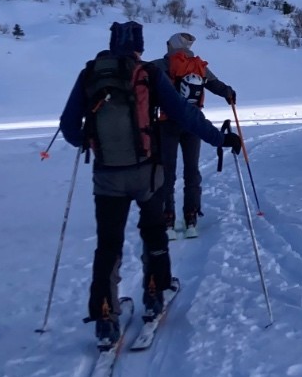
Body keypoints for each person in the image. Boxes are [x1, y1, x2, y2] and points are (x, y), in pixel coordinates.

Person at [59, 21, 242, 348]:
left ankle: (104, 316)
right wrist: (220, 138)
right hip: (147, 173)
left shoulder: (90, 73)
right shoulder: (149, 73)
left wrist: (90, 141)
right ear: (139, 46)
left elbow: (68, 127)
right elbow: (186, 115)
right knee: (154, 234)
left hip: (107, 176)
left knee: (108, 245)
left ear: (112, 43)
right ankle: (156, 294)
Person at [149, 31, 237, 236]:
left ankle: (168, 220)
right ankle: (191, 219)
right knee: (192, 170)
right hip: (193, 124)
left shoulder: (161, 65)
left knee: (167, 172)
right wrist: (229, 93)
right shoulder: (199, 66)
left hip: (166, 123)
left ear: (170, 46)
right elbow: (217, 86)